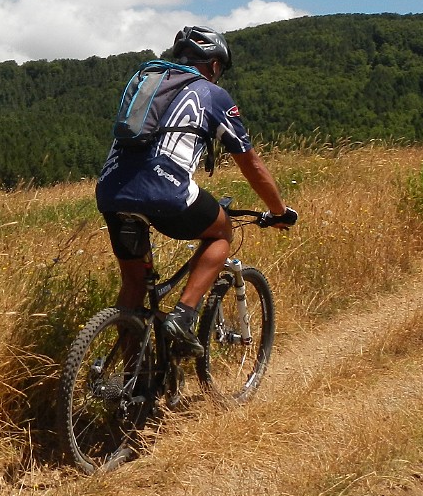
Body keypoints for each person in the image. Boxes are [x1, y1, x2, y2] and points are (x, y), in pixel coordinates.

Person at [96, 25, 297, 357]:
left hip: (111, 189)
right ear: (215, 65)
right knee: (220, 233)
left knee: (133, 284)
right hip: (164, 190)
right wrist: (278, 210)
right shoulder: (211, 93)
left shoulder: (149, 84)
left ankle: (132, 380)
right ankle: (183, 316)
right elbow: (251, 163)